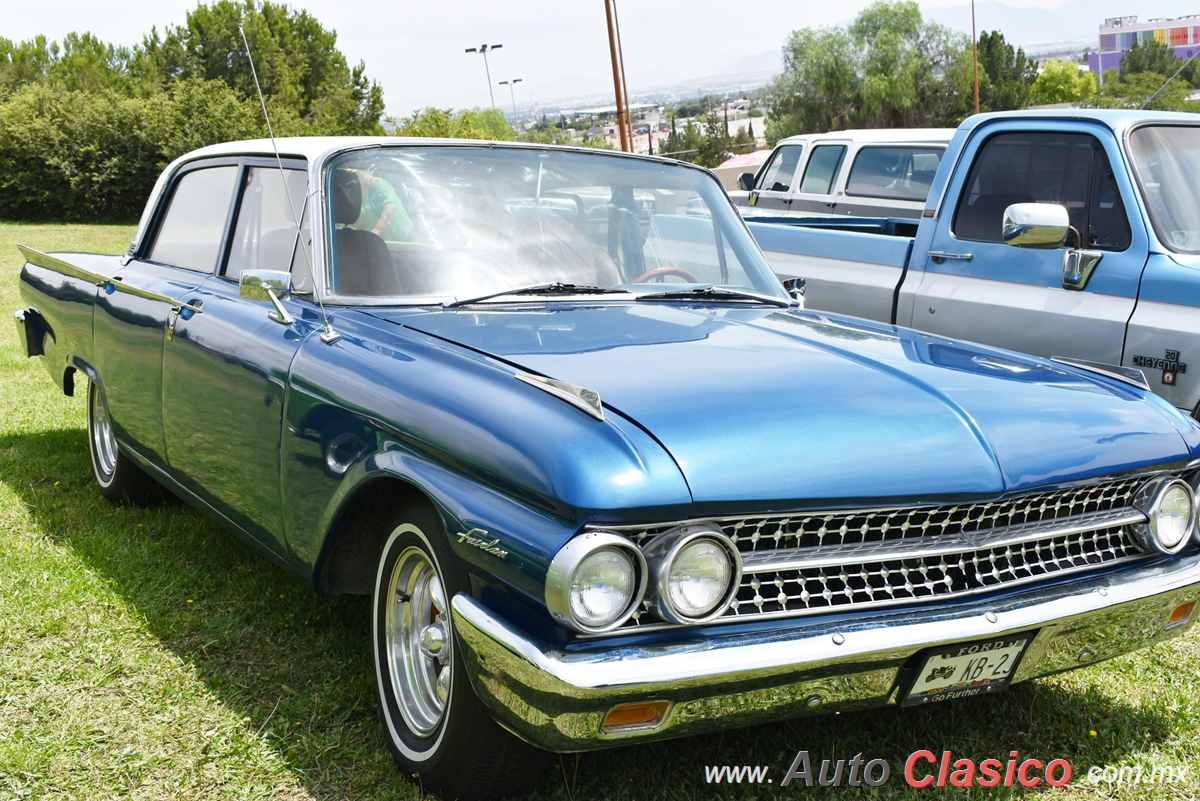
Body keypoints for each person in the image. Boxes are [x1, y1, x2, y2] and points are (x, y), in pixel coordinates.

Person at [350, 167, 413, 241]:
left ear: (365, 171)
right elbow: (365, 220)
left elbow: (389, 208)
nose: (355, 177)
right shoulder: (359, 193)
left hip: (402, 235)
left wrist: (377, 229)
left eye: (357, 172)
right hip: (381, 240)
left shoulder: (379, 184)